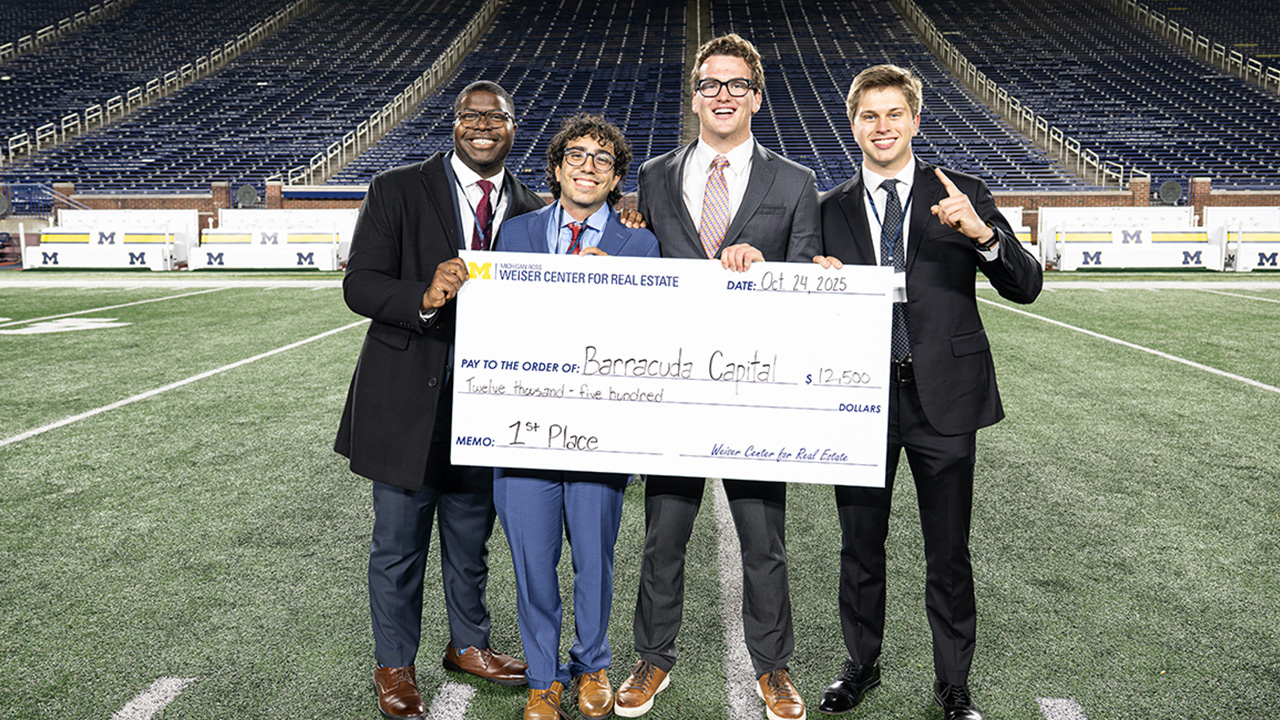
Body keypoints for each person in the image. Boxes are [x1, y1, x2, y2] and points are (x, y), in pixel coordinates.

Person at [812, 65, 1042, 720]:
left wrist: (980, 233)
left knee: (949, 549)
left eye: (893, 114)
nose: (881, 128)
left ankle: (953, 684)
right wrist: (812, 277)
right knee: (859, 545)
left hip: (944, 397)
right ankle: (859, 665)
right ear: (852, 124)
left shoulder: (962, 192)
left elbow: (1025, 285)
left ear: (915, 120)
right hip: (859, 399)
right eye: (868, 116)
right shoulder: (827, 210)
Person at [615, 33, 820, 720]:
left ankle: (774, 667)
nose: (723, 95)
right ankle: (653, 657)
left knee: (764, 540)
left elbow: (808, 278)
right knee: (662, 533)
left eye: (736, 84)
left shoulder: (794, 182)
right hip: (674, 387)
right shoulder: (653, 175)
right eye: (711, 84)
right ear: (695, 95)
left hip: (754, 389)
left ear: (757, 97)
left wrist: (770, 267)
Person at [334, 80, 547, 720]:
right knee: (398, 545)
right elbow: (360, 285)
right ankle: (395, 666)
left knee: (469, 537)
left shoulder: (535, 207)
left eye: (496, 117)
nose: (482, 125)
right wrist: (423, 297)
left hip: (488, 404)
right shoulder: (397, 188)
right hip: (408, 399)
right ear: (454, 124)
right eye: (469, 115)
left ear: (514, 127)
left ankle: (469, 645)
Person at [490, 114, 659, 720]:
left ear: (617, 179)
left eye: (603, 159)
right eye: (577, 156)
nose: (589, 166)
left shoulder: (640, 243)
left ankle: (592, 666)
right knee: (533, 564)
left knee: (594, 559)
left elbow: (651, 338)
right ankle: (542, 678)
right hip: (524, 428)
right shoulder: (514, 233)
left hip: (601, 431)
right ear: (557, 167)